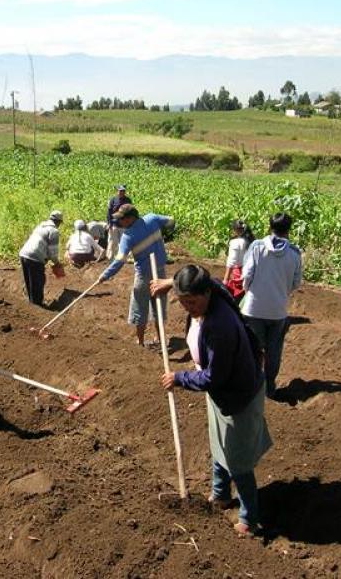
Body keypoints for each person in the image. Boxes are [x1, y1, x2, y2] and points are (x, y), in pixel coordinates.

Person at [151, 265, 271, 536]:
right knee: (219, 443)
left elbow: (214, 377)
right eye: (182, 302)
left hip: (237, 394)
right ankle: (220, 494)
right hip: (222, 392)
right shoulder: (211, 290)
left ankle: (249, 518)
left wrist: (179, 378)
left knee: (238, 459)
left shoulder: (219, 327)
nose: (188, 307)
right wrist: (170, 283)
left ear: (206, 294)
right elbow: (211, 279)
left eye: (192, 302)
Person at [241, 213, 302, 398]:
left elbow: (247, 275)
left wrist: (249, 291)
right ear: (288, 230)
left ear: (270, 227)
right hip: (278, 311)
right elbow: (296, 283)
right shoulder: (294, 253)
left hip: (253, 308)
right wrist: (282, 291)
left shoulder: (257, 247)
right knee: (273, 351)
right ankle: (269, 387)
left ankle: (252, 385)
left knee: (253, 348)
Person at [97, 203, 175, 347]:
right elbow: (171, 221)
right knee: (159, 305)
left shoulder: (128, 236)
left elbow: (120, 260)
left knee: (140, 307)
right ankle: (160, 338)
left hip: (143, 276)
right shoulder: (152, 218)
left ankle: (140, 341)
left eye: (122, 219)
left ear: (131, 218)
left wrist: (105, 275)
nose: (119, 221)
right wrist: (164, 234)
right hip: (160, 272)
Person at [19, 210, 64, 306]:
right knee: (38, 281)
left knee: (29, 281)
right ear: (59, 222)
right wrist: (57, 263)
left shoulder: (40, 226)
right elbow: (53, 253)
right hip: (35, 257)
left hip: (24, 254)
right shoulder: (54, 231)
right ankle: (37, 306)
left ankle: (32, 303)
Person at [223, 220, 255, 300]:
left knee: (235, 298)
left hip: (240, 274)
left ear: (235, 230)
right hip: (252, 273)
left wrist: (226, 279)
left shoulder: (235, 243)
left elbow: (231, 261)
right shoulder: (253, 242)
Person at [106, 184, 132, 260]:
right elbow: (109, 212)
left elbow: (131, 212)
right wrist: (109, 223)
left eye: (123, 191)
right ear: (117, 191)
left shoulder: (128, 200)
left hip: (124, 225)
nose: (122, 192)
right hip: (114, 224)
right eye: (120, 191)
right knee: (112, 242)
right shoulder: (113, 200)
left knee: (124, 242)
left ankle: (125, 257)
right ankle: (110, 257)